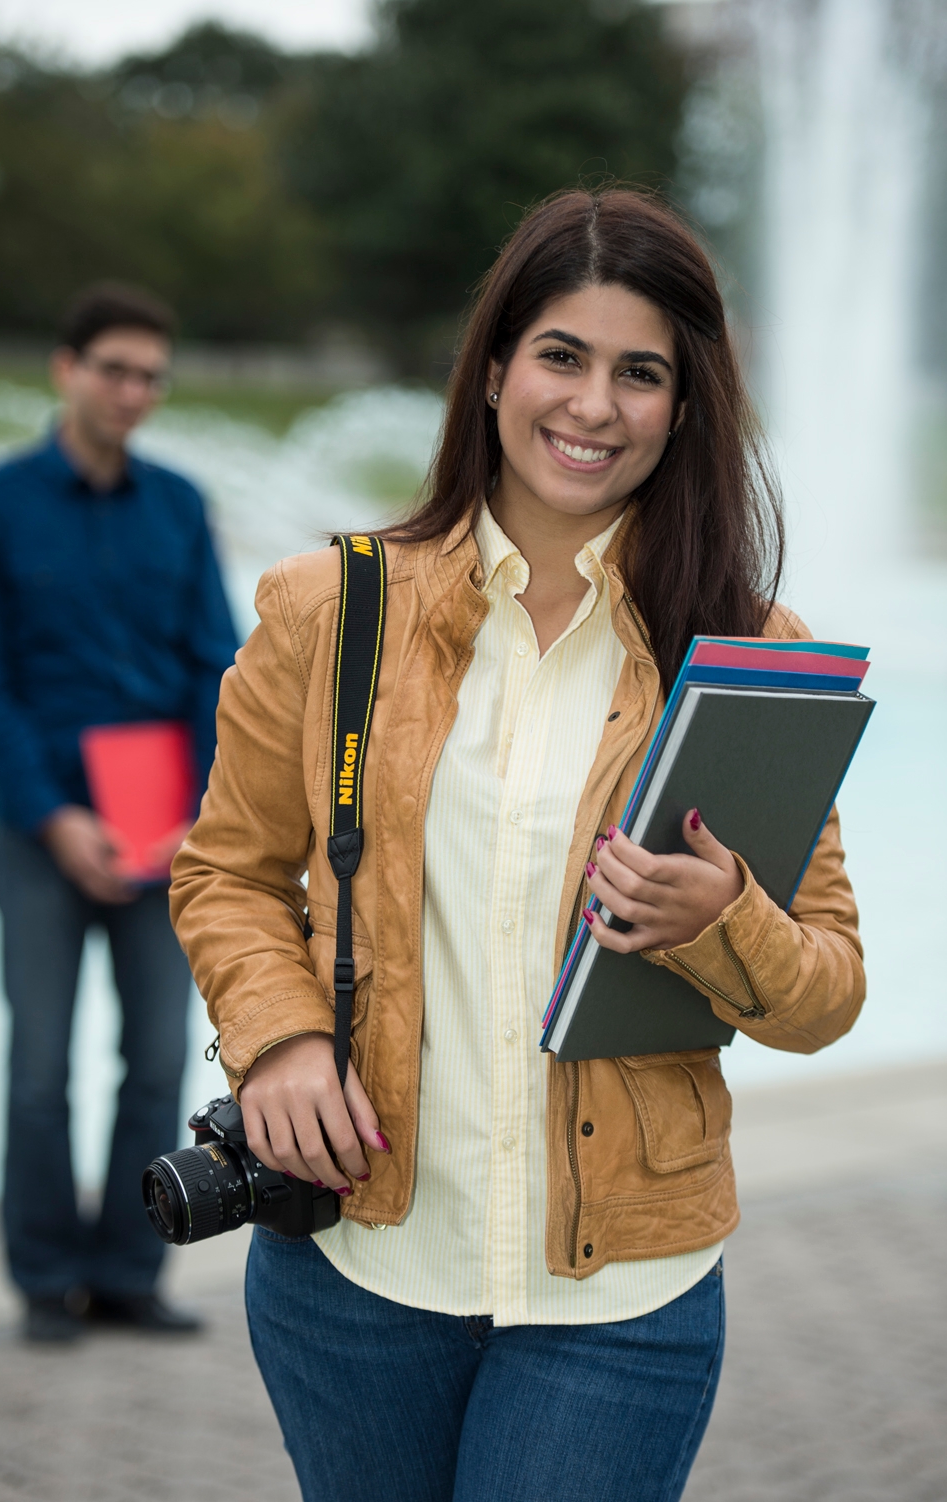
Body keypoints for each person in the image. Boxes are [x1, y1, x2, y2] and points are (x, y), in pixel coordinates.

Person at [170, 190, 865, 1501]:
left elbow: (828, 991)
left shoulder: (755, 659)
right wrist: (278, 1037)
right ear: (494, 369)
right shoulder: (330, 608)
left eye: (640, 372)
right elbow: (228, 870)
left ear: (685, 403)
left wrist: (725, 917)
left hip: (621, 1296)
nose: (594, 406)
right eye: (562, 355)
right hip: (356, 1266)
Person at [0, 283, 239, 1343]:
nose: (133, 390)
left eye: (151, 375)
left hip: (164, 828)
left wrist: (197, 814)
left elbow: (215, 665)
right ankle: (42, 1280)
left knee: (158, 1057)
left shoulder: (177, 503)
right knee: (38, 1065)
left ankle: (128, 1271)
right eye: (114, 368)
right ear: (65, 369)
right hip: (45, 830)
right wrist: (53, 815)